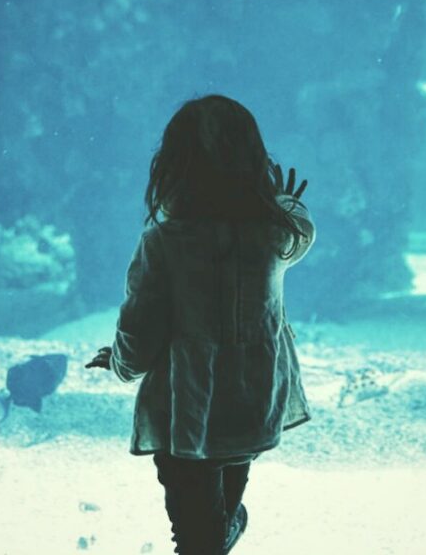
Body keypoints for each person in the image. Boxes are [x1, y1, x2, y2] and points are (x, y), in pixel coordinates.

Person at [86, 94, 316, 555]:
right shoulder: (274, 232)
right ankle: (226, 527)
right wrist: (285, 202)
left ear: (175, 166)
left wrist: (120, 364)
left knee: (197, 540)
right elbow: (301, 231)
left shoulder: (165, 242)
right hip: (250, 406)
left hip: (188, 416)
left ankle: (224, 529)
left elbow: (139, 331)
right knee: (211, 527)